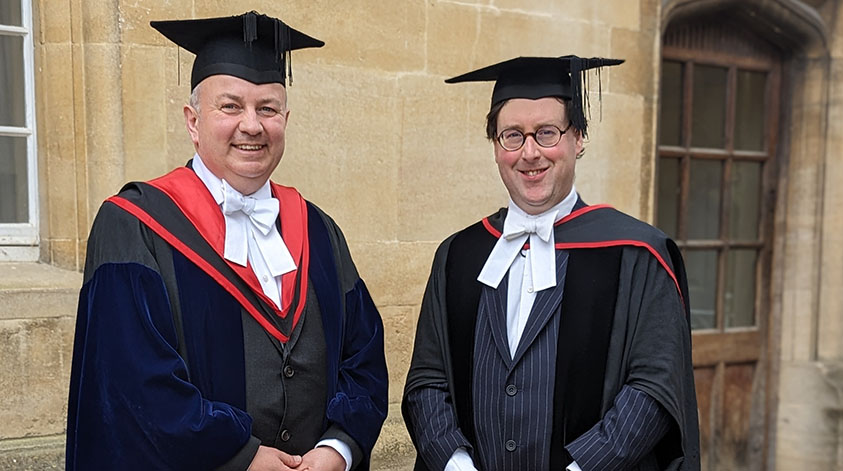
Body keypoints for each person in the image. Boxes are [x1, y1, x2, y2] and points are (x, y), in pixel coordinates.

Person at [66, 11, 388, 471]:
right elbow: (131, 384)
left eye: (268, 109)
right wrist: (241, 456)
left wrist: (339, 447)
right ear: (193, 122)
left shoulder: (319, 231)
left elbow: (364, 358)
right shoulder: (134, 226)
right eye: (231, 106)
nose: (252, 125)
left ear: (285, 120)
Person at [402, 55, 700, 471]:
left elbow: (654, 387)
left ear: (578, 138)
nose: (529, 153)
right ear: (495, 146)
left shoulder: (637, 254)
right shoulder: (458, 255)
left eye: (547, 133)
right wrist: (455, 464)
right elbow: (426, 380)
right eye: (512, 135)